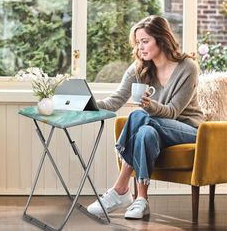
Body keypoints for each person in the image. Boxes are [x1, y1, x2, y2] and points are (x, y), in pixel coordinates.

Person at [87, 15, 204, 220]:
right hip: (154, 127)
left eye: (145, 41)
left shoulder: (188, 67)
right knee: (145, 132)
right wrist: (88, 106)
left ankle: (120, 188)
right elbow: (116, 100)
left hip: (187, 129)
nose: (140, 47)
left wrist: (149, 106)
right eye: (138, 42)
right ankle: (141, 200)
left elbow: (172, 112)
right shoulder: (139, 67)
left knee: (142, 116)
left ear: (162, 39)